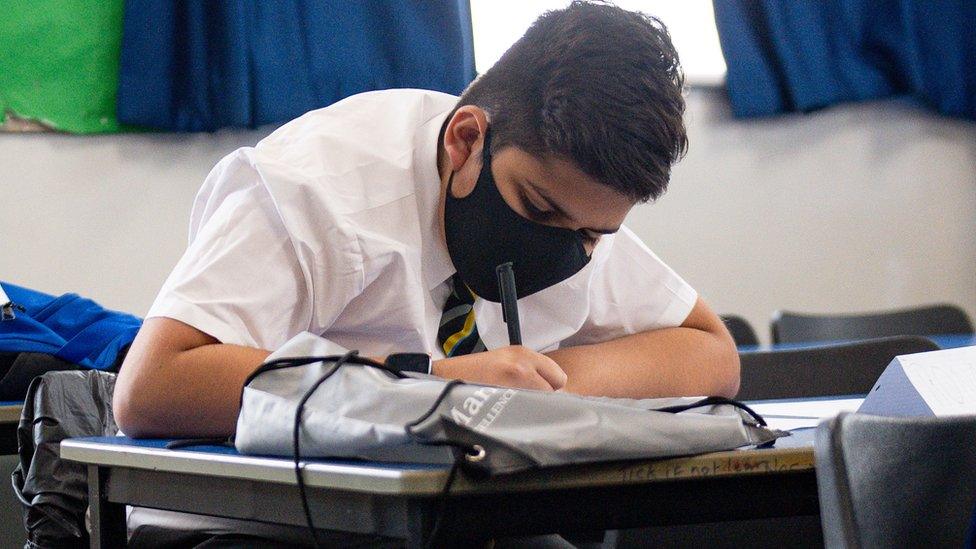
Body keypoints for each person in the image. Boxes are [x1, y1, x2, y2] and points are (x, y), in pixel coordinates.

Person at [113, 2, 739, 544]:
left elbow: (710, 352)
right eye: (539, 210)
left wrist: (540, 386)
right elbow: (151, 387)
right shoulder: (318, 188)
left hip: (444, 516)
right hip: (250, 521)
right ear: (465, 141)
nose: (565, 248)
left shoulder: (570, 197)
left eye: (591, 235)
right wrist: (440, 385)